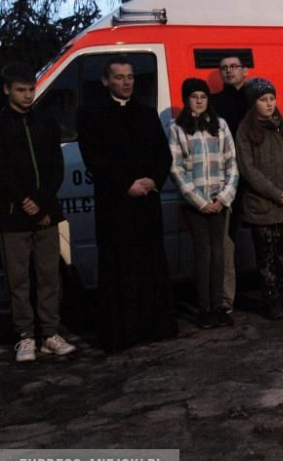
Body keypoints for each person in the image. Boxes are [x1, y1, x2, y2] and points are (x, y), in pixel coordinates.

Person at [77, 56, 177, 350]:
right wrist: (126, 185)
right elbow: (94, 159)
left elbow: (163, 154)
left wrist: (153, 180)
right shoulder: (90, 114)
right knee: (118, 268)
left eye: (130, 77)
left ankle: (153, 327)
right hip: (115, 205)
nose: (126, 82)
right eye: (119, 77)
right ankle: (122, 333)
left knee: (150, 264)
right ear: (106, 81)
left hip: (146, 203)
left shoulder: (146, 112)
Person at [0, 62, 76, 362]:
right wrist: (24, 201)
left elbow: (56, 167)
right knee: (18, 280)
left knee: (49, 276)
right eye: (21, 90)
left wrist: (42, 202)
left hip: (46, 213)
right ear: (7, 90)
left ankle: (50, 334)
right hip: (12, 216)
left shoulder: (45, 121)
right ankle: (25, 337)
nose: (28, 95)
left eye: (31, 89)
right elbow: (3, 172)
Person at [169, 78, 239, 327]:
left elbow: (232, 164)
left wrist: (222, 198)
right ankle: (205, 308)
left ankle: (220, 306)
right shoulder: (176, 128)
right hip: (194, 203)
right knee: (203, 253)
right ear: (186, 99)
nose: (199, 100)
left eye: (203, 96)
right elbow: (176, 170)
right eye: (193, 96)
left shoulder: (220, 126)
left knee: (219, 251)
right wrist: (200, 202)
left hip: (219, 200)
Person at [235, 78, 283, 320]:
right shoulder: (245, 130)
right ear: (253, 102)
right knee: (265, 258)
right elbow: (248, 169)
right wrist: (276, 193)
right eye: (263, 100)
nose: (269, 104)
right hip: (262, 206)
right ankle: (272, 300)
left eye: (271, 99)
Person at [211, 55, 250, 315]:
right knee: (227, 240)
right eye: (224, 68)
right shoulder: (214, 102)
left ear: (244, 70)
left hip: (254, 176)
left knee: (263, 236)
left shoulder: (256, 97)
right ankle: (227, 298)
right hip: (228, 179)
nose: (229, 71)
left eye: (234, 67)